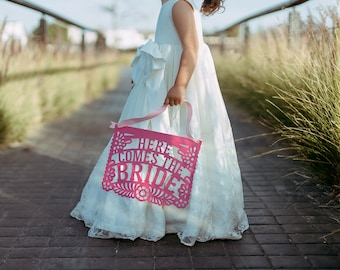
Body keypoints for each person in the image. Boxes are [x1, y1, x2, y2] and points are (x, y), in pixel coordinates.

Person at [71, 0, 249, 247]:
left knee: (164, 139)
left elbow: (191, 48)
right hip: (161, 81)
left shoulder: (179, 5)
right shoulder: (170, 5)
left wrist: (180, 85)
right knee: (155, 139)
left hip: (176, 81)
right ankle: (159, 207)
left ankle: (171, 208)